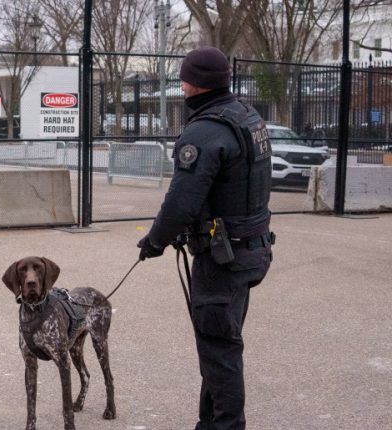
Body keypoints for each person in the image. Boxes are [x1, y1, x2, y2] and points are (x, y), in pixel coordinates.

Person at [136, 46, 274, 430]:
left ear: (194, 84)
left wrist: (154, 241)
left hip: (223, 260)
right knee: (219, 346)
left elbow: (181, 202)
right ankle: (209, 423)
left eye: (183, 79)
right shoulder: (247, 117)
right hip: (252, 249)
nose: (180, 86)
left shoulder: (204, 131)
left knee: (220, 351)